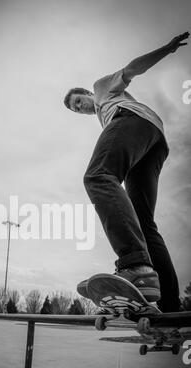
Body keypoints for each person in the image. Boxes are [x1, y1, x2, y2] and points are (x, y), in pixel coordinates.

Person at [64, 32, 189, 312]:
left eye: (78, 101)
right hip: (154, 141)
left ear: (86, 92)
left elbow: (133, 69)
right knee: (144, 222)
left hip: (134, 122)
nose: (80, 108)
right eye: (75, 109)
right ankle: (170, 304)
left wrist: (166, 49)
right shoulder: (104, 118)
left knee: (98, 176)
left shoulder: (101, 88)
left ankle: (135, 265)